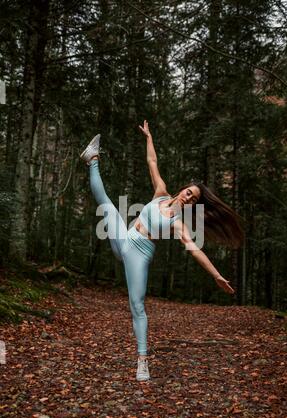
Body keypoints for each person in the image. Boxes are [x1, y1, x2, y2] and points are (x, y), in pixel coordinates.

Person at [80, 121, 244, 382]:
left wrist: (216, 275)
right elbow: (152, 162)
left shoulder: (178, 223)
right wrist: (149, 137)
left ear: (193, 205)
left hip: (139, 254)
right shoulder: (161, 193)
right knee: (108, 206)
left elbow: (194, 251)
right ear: (183, 189)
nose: (188, 197)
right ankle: (92, 159)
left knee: (137, 305)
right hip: (126, 238)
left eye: (193, 199)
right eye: (188, 192)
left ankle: (142, 360)